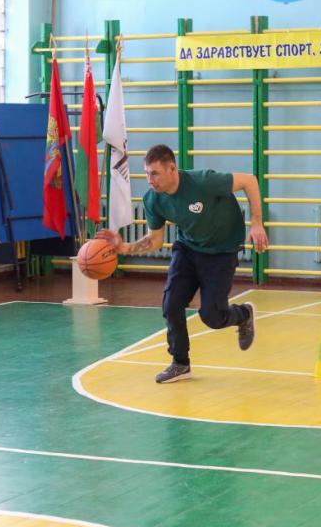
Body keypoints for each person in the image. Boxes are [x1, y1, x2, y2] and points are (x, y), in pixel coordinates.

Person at [97, 144, 269, 383]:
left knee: (212, 317)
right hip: (188, 249)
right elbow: (156, 240)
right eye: (146, 173)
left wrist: (257, 223)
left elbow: (249, 181)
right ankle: (180, 363)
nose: (149, 180)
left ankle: (244, 314)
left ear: (172, 169)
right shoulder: (153, 199)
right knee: (171, 305)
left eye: (155, 173)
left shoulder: (203, 182)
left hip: (221, 252)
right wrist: (125, 248)